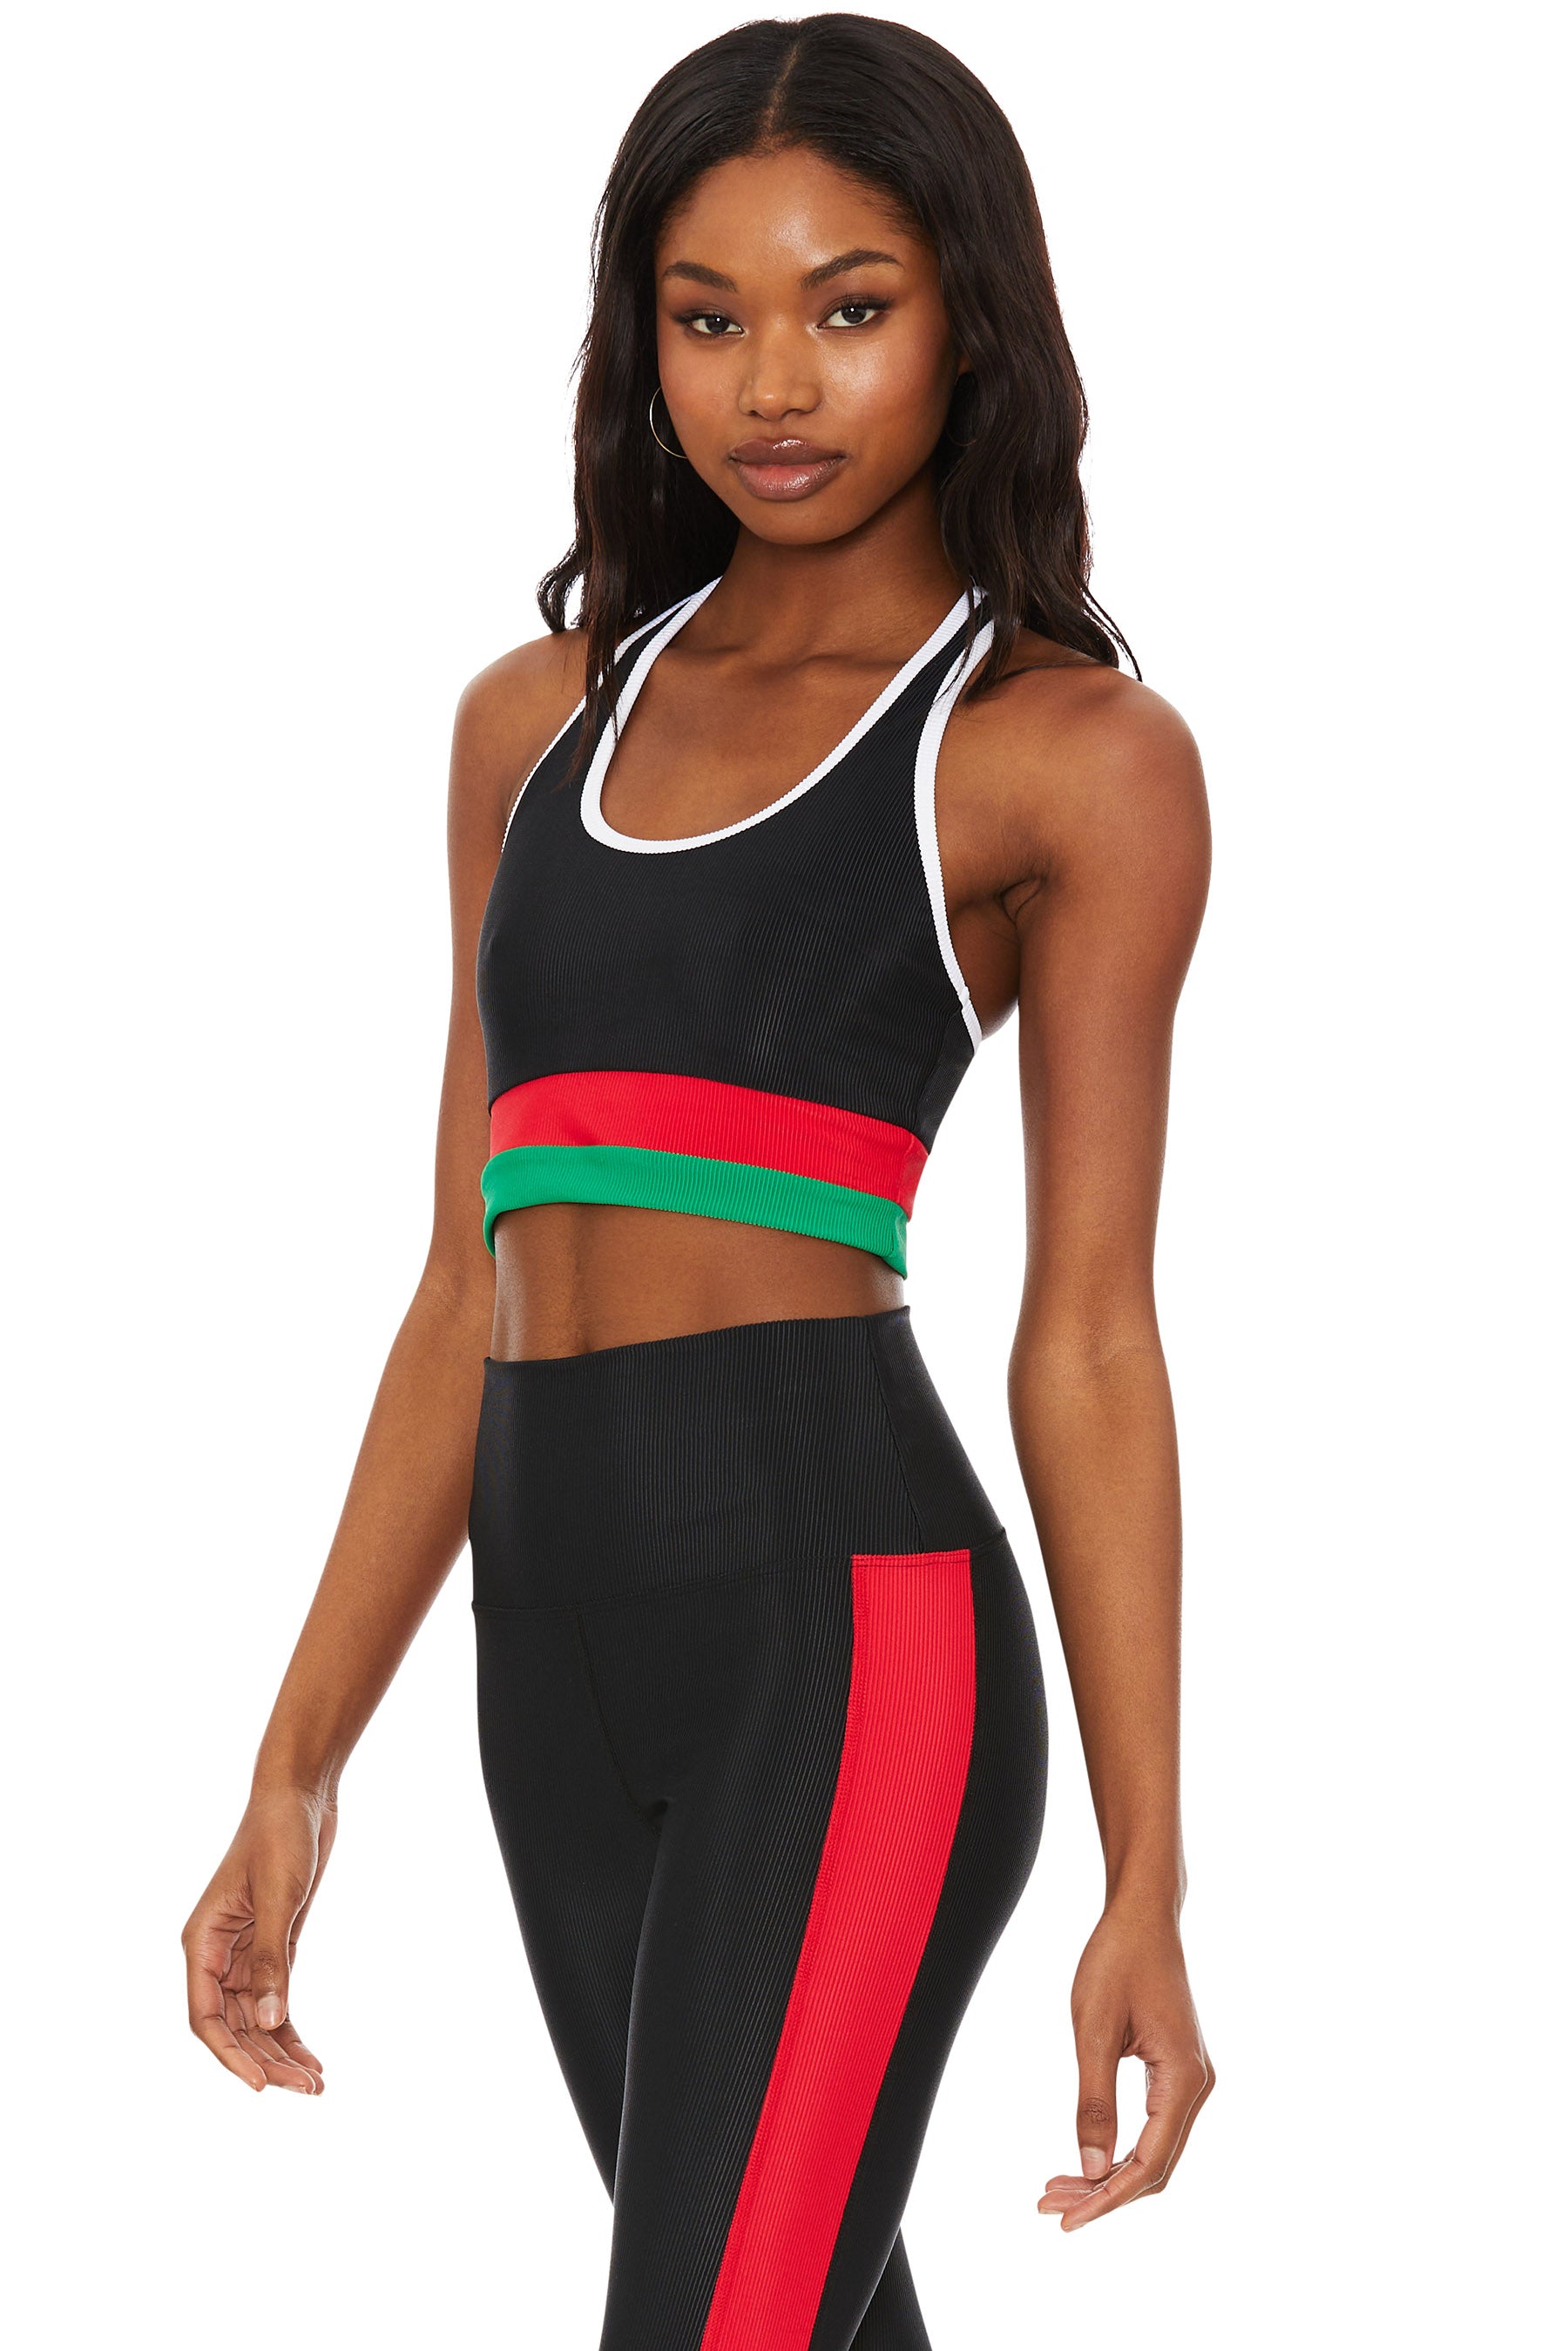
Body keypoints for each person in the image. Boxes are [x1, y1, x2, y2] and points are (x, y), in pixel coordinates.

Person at [181, 15, 1214, 2341]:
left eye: (851, 307)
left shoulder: (1061, 755)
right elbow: (466, 1279)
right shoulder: (532, 725)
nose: (776, 383)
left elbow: (1091, 1334)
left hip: (847, 1631)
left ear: (971, 317)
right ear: (638, 338)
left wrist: (1145, 1863)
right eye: (708, 313)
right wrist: (298, 1759)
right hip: (546, 1647)